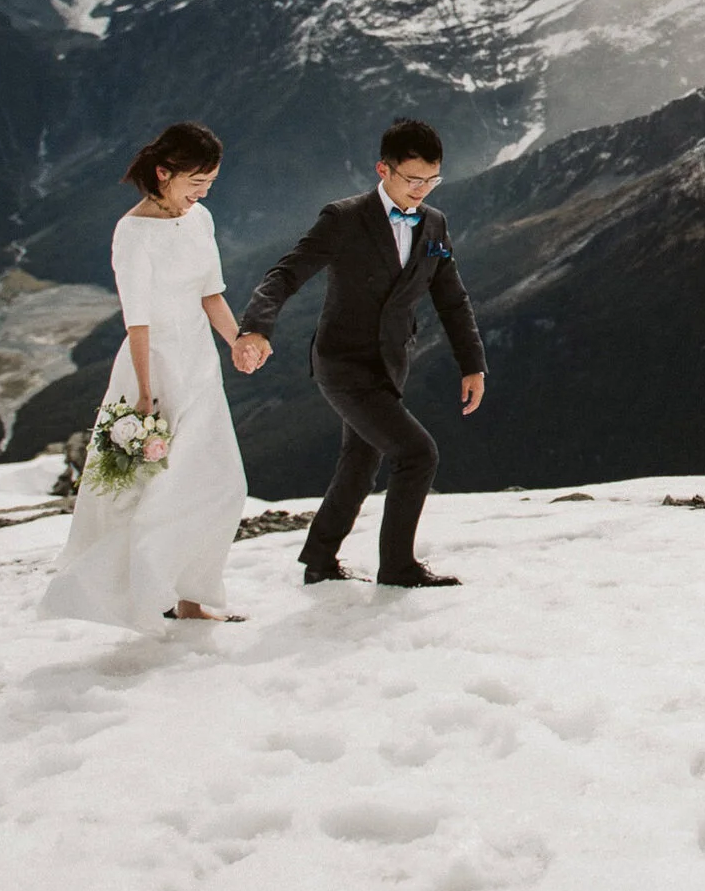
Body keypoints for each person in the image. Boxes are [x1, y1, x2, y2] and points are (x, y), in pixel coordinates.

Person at [234, 117, 488, 589]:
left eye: (432, 180)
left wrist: (472, 364)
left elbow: (452, 299)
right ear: (382, 170)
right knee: (417, 454)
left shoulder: (434, 223)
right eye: (413, 179)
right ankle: (397, 567)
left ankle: (320, 559)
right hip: (342, 363)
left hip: (390, 364)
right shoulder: (344, 218)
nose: (423, 190)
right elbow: (285, 274)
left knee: (360, 461)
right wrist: (256, 328)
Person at [39, 122, 258, 631]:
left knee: (222, 484)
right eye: (195, 182)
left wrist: (236, 342)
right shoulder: (133, 233)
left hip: (198, 364)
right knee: (153, 492)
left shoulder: (199, 219)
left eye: (209, 184)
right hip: (154, 367)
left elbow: (210, 294)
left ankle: (194, 595)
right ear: (164, 173)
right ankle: (140, 596)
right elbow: (136, 320)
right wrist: (142, 394)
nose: (202, 194)